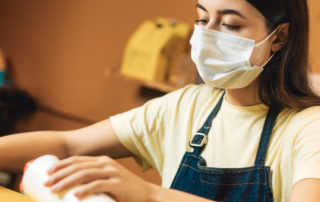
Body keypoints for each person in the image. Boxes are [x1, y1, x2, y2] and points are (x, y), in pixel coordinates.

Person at [1, 0, 320, 201]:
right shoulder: (187, 106)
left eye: (230, 24)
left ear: (279, 37)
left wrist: (149, 194)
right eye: (201, 19)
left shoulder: (307, 128)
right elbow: (68, 145)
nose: (207, 36)